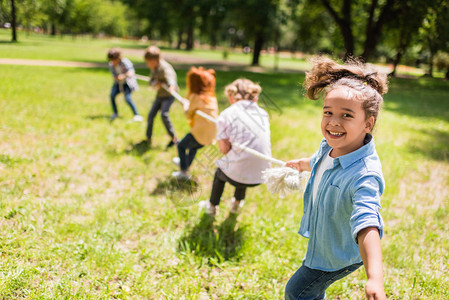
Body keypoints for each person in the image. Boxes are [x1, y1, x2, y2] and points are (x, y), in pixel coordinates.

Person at [284, 56, 389, 300]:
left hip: (338, 253)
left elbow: (368, 223)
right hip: (326, 241)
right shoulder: (329, 146)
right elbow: (321, 161)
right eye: (328, 112)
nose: (333, 121)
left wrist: (375, 277)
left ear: (368, 124)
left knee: (298, 291)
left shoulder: (364, 175)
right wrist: (302, 164)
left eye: (346, 115)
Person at [199, 78, 272, 216]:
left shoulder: (227, 114)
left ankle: (212, 207)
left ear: (231, 98)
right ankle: (237, 204)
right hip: (261, 174)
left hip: (239, 174)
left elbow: (224, 150)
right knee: (242, 157)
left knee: (220, 171)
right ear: (254, 97)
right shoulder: (263, 113)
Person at [171, 67, 219, 180]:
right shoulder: (211, 97)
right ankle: (185, 163)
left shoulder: (195, 97)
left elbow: (188, 114)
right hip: (211, 134)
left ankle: (184, 172)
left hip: (200, 132)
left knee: (181, 145)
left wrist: (185, 105)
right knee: (193, 147)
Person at [144, 45, 179, 148]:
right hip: (160, 96)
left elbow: (170, 77)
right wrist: (155, 84)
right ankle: (148, 138)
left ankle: (174, 139)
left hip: (168, 96)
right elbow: (151, 82)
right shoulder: (154, 68)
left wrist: (172, 86)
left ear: (154, 60)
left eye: (148, 62)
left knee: (164, 115)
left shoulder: (165, 67)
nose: (147, 65)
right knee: (151, 116)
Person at [107, 48, 143, 122]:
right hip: (118, 84)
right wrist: (117, 78)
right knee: (112, 96)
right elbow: (114, 76)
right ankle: (115, 113)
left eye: (114, 60)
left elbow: (131, 72)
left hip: (127, 83)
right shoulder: (111, 65)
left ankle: (137, 115)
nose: (112, 62)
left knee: (128, 99)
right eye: (111, 60)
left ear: (118, 58)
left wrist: (123, 76)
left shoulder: (125, 62)